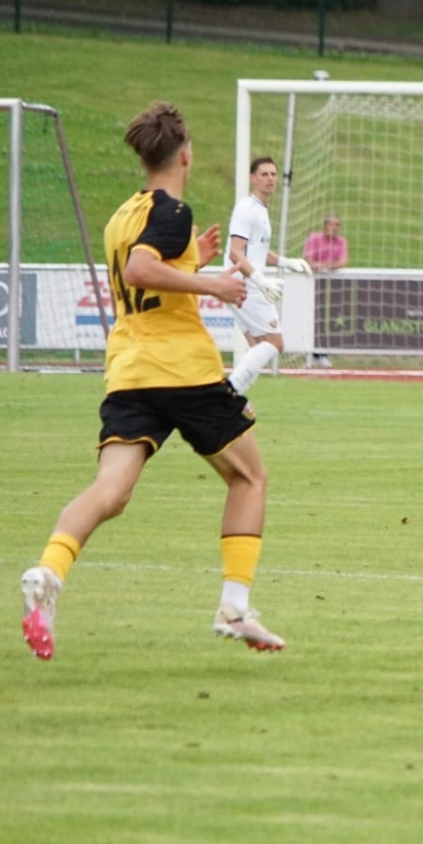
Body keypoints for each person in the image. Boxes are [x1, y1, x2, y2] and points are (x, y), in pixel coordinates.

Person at [19, 102, 286, 659]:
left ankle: (48, 573)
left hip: (130, 370)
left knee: (110, 493)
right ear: (185, 156)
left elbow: (144, 276)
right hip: (182, 369)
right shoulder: (173, 212)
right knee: (250, 478)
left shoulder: (123, 215)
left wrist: (191, 264)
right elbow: (141, 270)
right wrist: (212, 285)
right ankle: (234, 606)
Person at [225, 156, 311, 392]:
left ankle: (234, 400)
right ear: (253, 178)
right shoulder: (247, 209)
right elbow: (235, 252)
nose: (270, 179)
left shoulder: (259, 210)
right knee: (275, 343)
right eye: (264, 174)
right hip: (245, 284)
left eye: (273, 174)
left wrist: (286, 262)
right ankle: (228, 392)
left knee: (258, 346)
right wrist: (259, 280)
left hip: (242, 283)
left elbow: (257, 251)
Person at [302, 213, 348, 366]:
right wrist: (327, 266)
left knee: (326, 318)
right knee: (310, 317)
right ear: (325, 225)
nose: (335, 228)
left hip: (331, 287)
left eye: (337, 225)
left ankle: (321, 353)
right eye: (332, 224)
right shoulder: (314, 238)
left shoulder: (341, 242)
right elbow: (308, 261)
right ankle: (308, 353)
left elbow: (343, 262)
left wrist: (323, 266)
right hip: (311, 285)